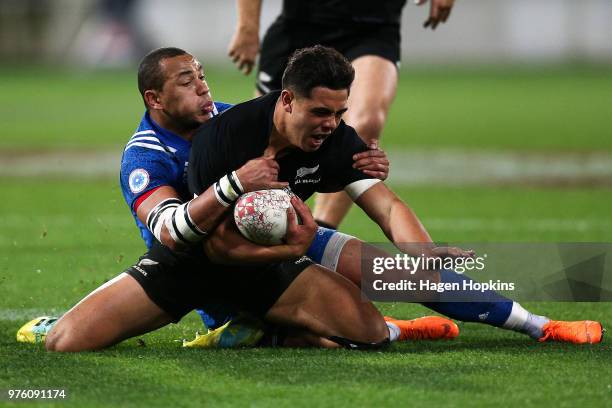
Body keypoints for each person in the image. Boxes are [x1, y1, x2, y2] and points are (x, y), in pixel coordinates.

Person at [17, 47, 452, 351]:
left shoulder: (232, 118)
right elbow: (171, 231)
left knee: (385, 296)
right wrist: (234, 185)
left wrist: (355, 157)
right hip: (188, 263)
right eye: (188, 83)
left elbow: (303, 135)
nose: (203, 89)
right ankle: (261, 328)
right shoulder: (144, 158)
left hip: (265, 248)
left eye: (203, 77)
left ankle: (462, 315)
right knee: (68, 343)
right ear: (155, 99)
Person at [185, 45, 602, 346]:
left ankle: (540, 325)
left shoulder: (335, 140)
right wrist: (288, 252)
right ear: (287, 100)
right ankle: (380, 327)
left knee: (398, 272)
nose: (331, 124)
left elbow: (384, 203)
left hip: (294, 241)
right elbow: (214, 248)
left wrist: (420, 252)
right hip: (224, 270)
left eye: (339, 113)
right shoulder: (221, 143)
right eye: (320, 112)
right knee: (358, 335)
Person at [228, 0, 456, 230]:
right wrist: (248, 26)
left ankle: (321, 231)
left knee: (368, 120)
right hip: (299, 27)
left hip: (373, 29)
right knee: (270, 135)